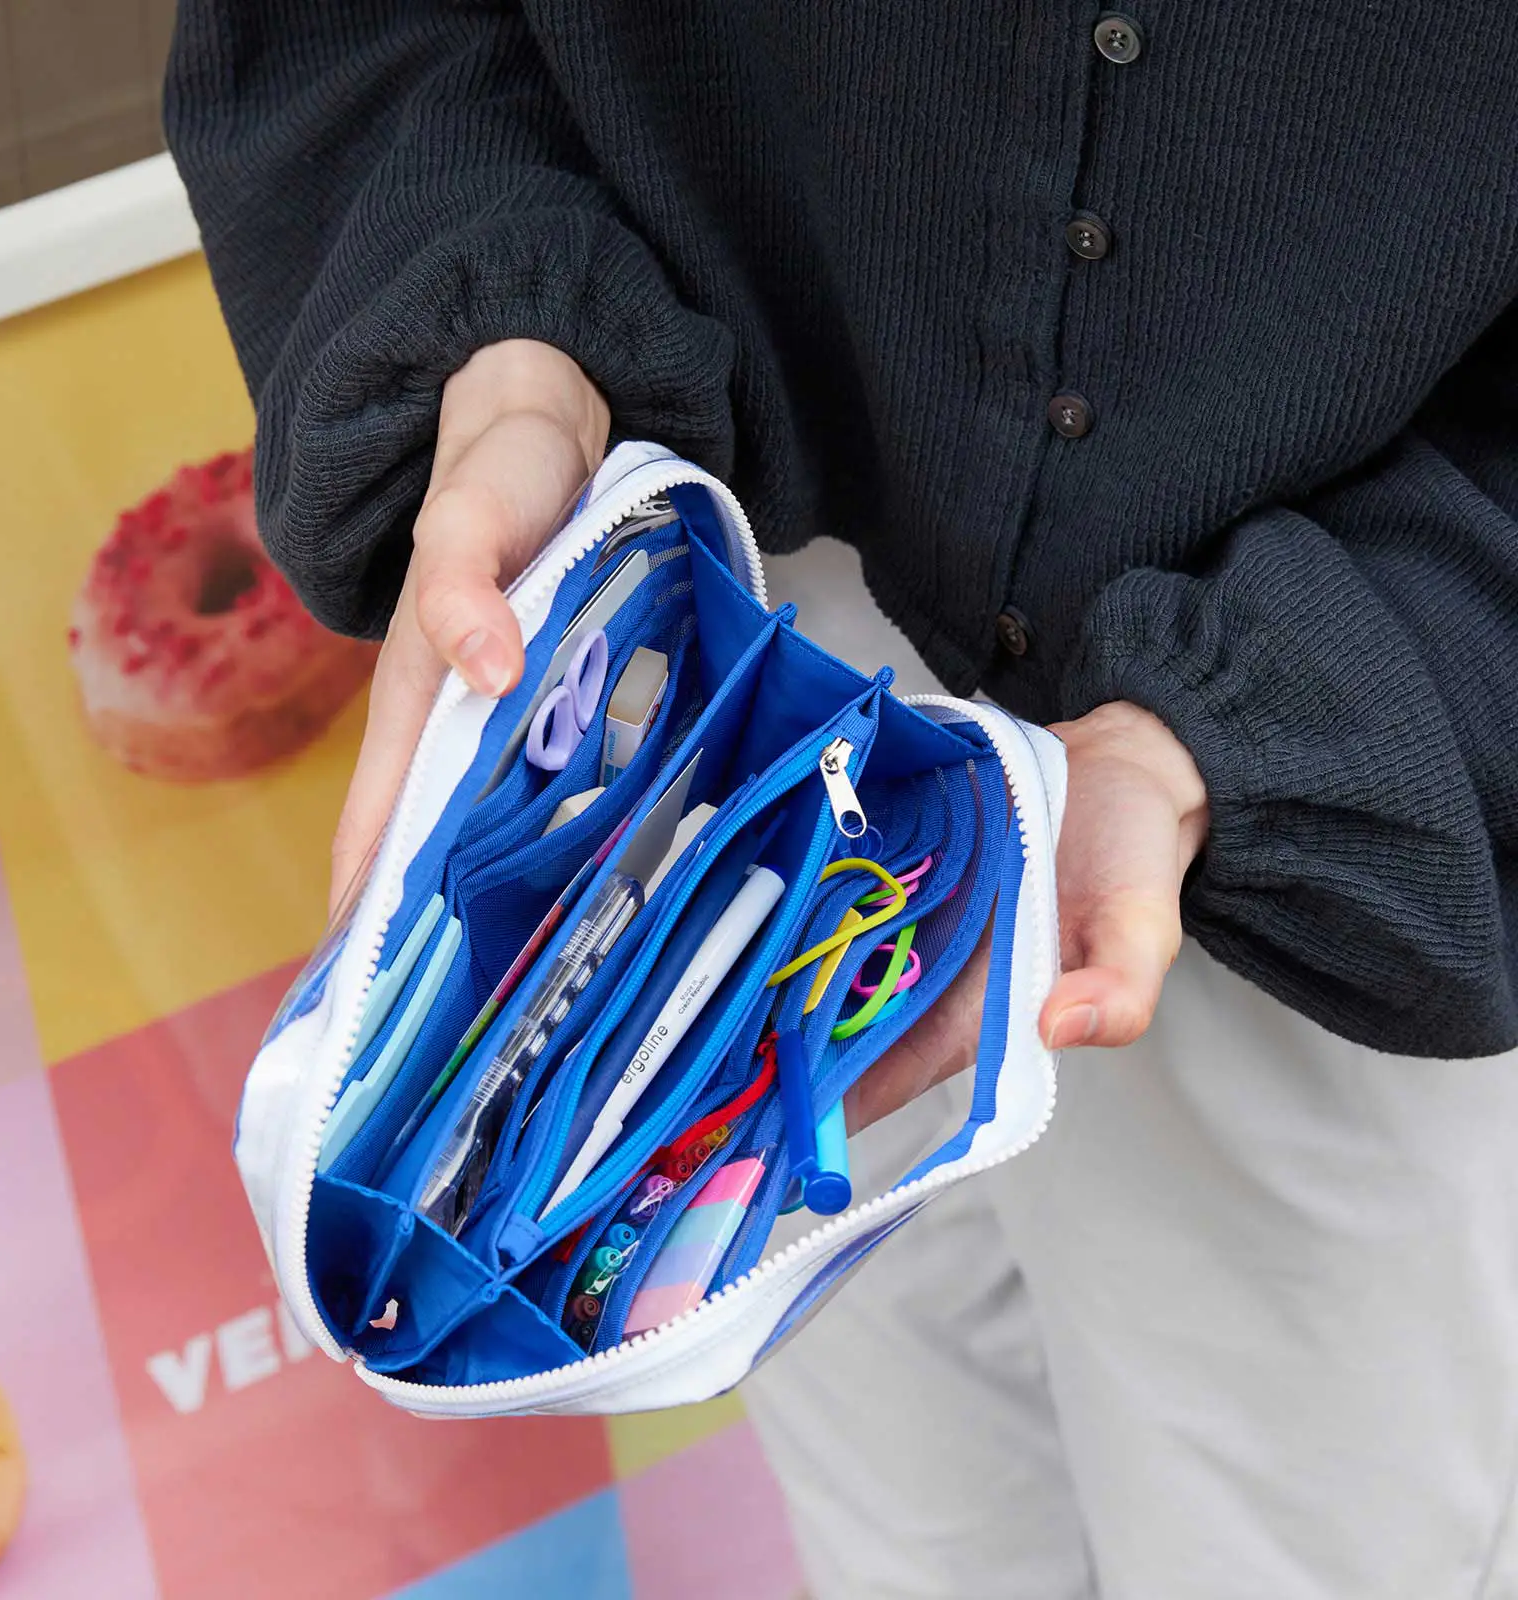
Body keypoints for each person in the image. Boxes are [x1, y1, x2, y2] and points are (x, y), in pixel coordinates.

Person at [164, 5, 1518, 1595]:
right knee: (904, 1501)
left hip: (1333, 801)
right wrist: (510, 353)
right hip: (723, 638)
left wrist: (1295, 708)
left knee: (1304, 1532)